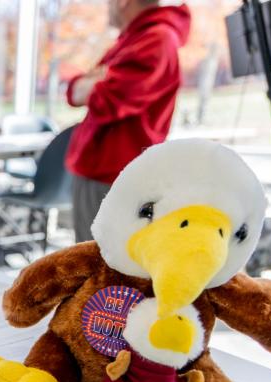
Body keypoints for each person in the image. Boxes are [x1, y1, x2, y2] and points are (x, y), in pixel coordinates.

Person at [65, 0, 190, 243]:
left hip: (113, 176)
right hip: (102, 173)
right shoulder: (133, 39)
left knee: (100, 264)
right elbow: (74, 92)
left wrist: (95, 83)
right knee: (91, 259)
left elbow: (105, 100)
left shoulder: (156, 39)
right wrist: (94, 82)